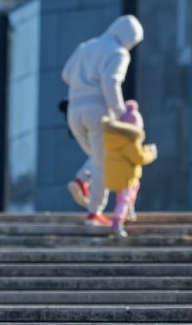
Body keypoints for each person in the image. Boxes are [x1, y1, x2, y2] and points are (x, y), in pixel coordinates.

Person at [61, 14, 144, 226]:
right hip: (98, 111)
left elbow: (66, 74)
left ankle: (82, 180)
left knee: (98, 155)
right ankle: (94, 212)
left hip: (74, 110)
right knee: (103, 162)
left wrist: (82, 85)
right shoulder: (118, 52)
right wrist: (120, 113)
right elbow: (111, 82)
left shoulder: (86, 47)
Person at [102, 99, 157, 237]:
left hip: (114, 175)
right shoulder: (129, 141)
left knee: (126, 195)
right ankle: (117, 222)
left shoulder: (113, 139)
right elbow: (139, 157)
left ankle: (129, 211)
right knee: (124, 199)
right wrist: (150, 152)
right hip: (126, 177)